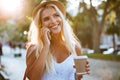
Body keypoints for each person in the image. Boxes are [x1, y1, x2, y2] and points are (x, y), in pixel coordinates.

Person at [23, 0, 90, 80]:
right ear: (41, 25)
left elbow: (73, 78)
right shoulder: (34, 49)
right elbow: (33, 78)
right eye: (46, 19)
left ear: (61, 18)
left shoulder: (75, 48)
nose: (53, 21)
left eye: (56, 15)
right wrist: (45, 47)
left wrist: (78, 76)